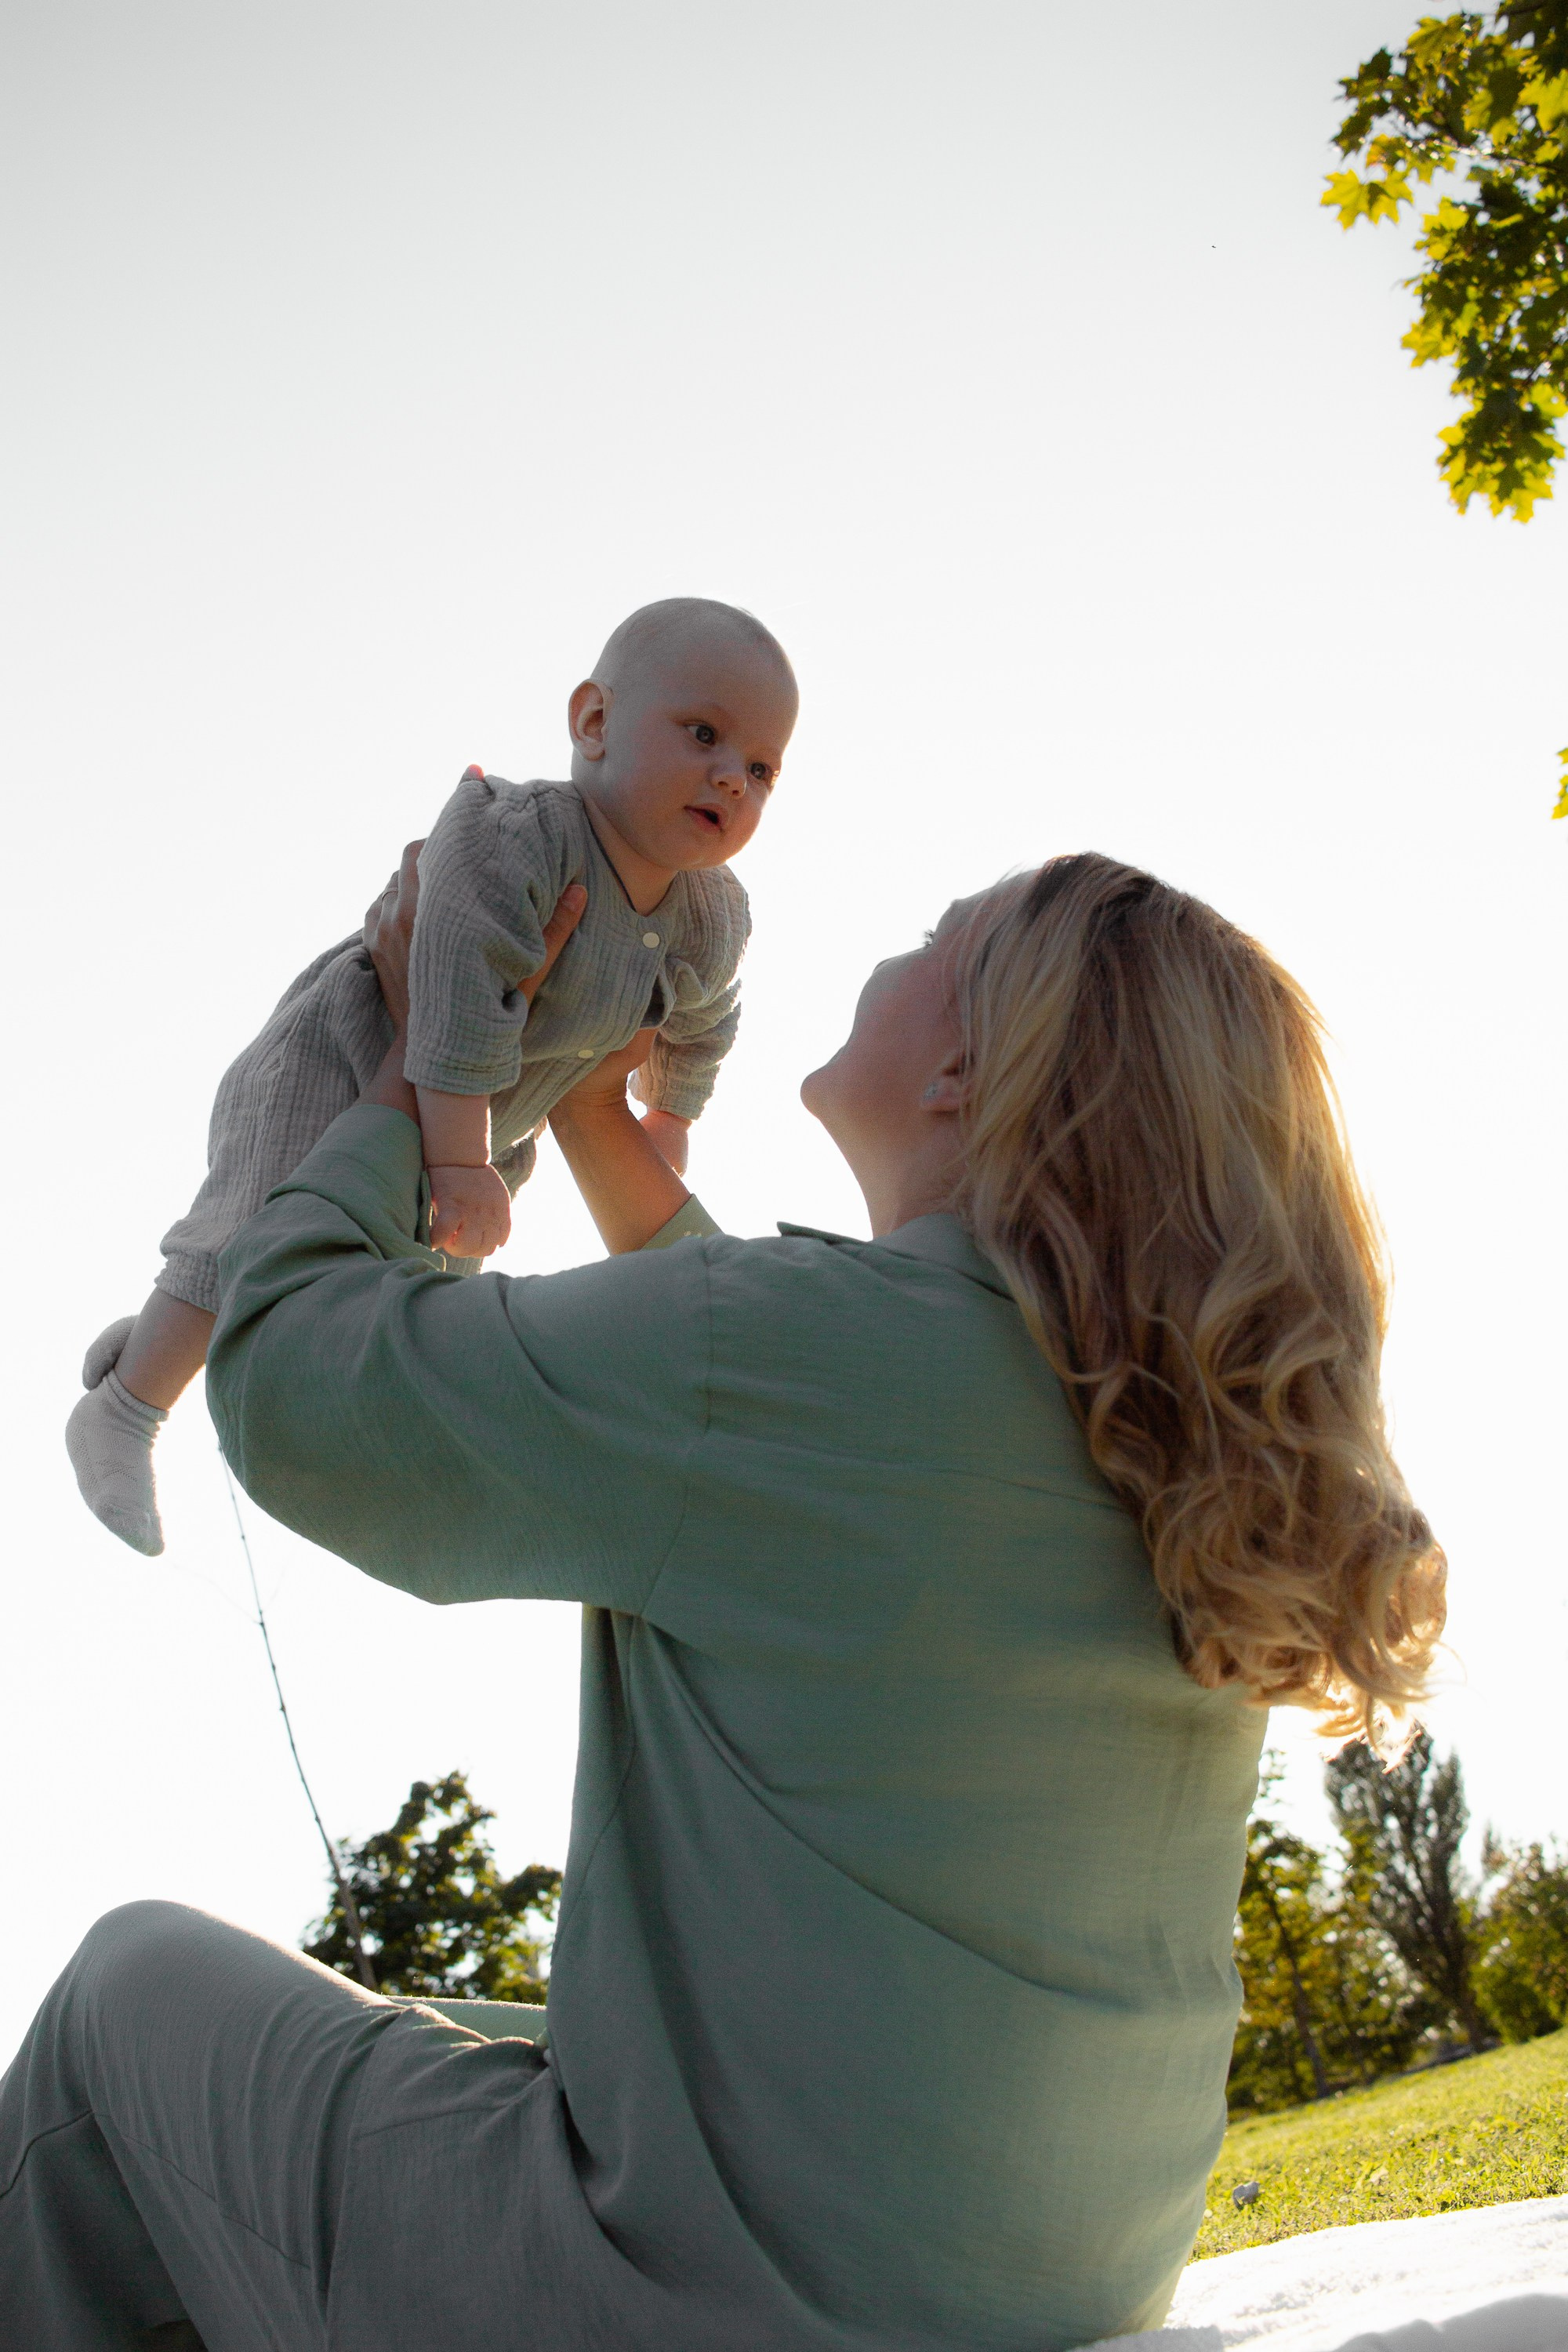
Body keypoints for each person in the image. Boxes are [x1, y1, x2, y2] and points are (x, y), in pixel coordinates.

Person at [3, 853, 1446, 2351]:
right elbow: (783, 1424)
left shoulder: (782, 1360)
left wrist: (408, 1054)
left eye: (935, 937)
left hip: (695, 2298)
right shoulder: (1148, 1429)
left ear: (967, 1069)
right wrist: (585, 1118)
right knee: (451, 2033)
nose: (898, 952)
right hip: (1002, 2281)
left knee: (129, 1994)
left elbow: (304, 1389)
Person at [64, 594, 797, 1559]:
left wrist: (667, 1123)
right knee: (262, 1224)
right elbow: (447, 980)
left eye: (760, 768)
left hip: (492, 1128)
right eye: (702, 734)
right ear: (593, 723)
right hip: (350, 1058)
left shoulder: (713, 917)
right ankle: (126, 1407)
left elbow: (705, 1024)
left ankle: (184, 1324)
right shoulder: (523, 836)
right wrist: (455, 1163)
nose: (730, 779)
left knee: (399, 1295)